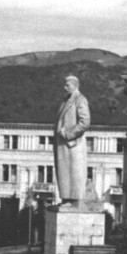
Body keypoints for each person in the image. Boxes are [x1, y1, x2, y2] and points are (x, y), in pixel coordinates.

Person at [53, 75, 90, 206]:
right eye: (64, 85)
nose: (65, 87)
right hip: (63, 144)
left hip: (73, 144)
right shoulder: (66, 100)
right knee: (64, 173)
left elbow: (85, 122)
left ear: (75, 85)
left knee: (74, 172)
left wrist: (68, 133)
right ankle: (66, 199)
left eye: (67, 85)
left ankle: (74, 200)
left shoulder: (80, 99)